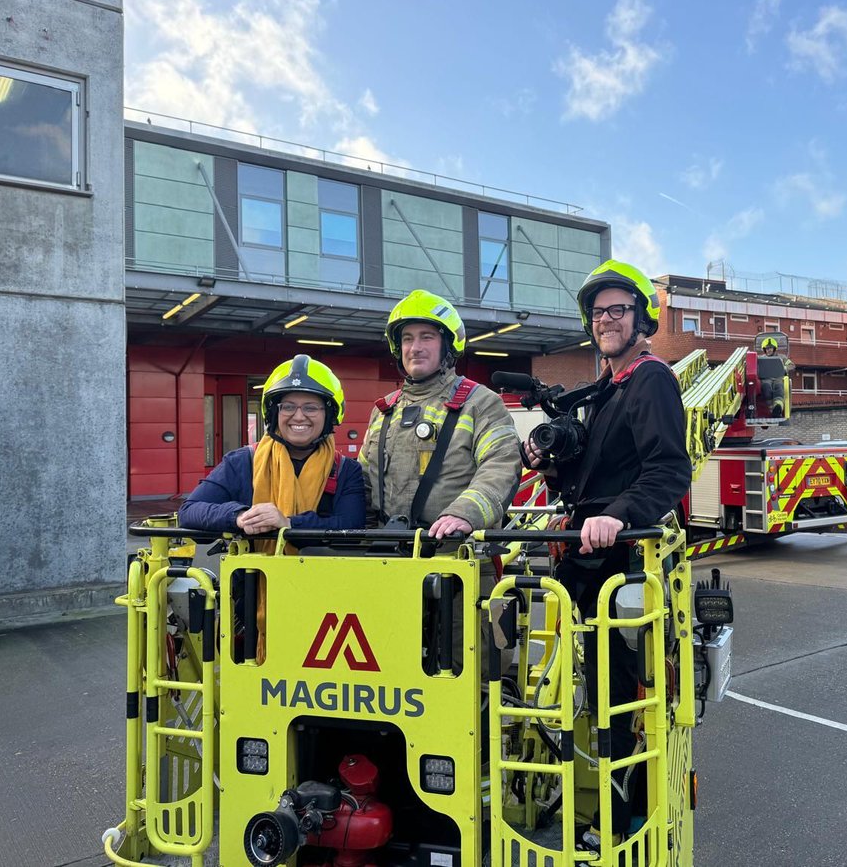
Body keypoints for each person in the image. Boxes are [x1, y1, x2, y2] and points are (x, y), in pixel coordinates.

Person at [524, 259, 690, 850]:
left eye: (618, 310)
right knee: (582, 690)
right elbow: (599, 469)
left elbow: (668, 469)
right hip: (586, 562)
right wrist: (553, 461)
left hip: (618, 566)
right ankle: (588, 794)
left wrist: (616, 516)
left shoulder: (651, 379)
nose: (606, 320)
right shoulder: (610, 386)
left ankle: (621, 818)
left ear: (642, 317)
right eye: (598, 313)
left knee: (617, 695)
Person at [359, 289, 521, 538]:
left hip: (455, 556)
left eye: (427, 337)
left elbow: (501, 466)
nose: (415, 348)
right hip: (386, 555)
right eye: (407, 338)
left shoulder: (481, 403)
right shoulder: (384, 410)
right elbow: (364, 482)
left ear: (447, 344)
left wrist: (464, 513)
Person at [178, 355, 367, 534]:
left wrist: (288, 523)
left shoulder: (346, 471)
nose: (299, 416)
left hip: (322, 569)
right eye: (288, 407)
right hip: (254, 569)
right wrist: (241, 517)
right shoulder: (242, 461)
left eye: (310, 407)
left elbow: (351, 524)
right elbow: (189, 511)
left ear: (329, 415)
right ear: (274, 414)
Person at [760, 336, 794, 418]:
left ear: (774, 348)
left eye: (770, 348)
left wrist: (785, 368)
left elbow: (792, 365)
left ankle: (778, 408)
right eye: (767, 348)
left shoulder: (782, 357)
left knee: (779, 389)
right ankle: (771, 410)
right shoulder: (761, 358)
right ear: (764, 349)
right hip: (766, 379)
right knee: (766, 389)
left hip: (778, 378)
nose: (769, 350)